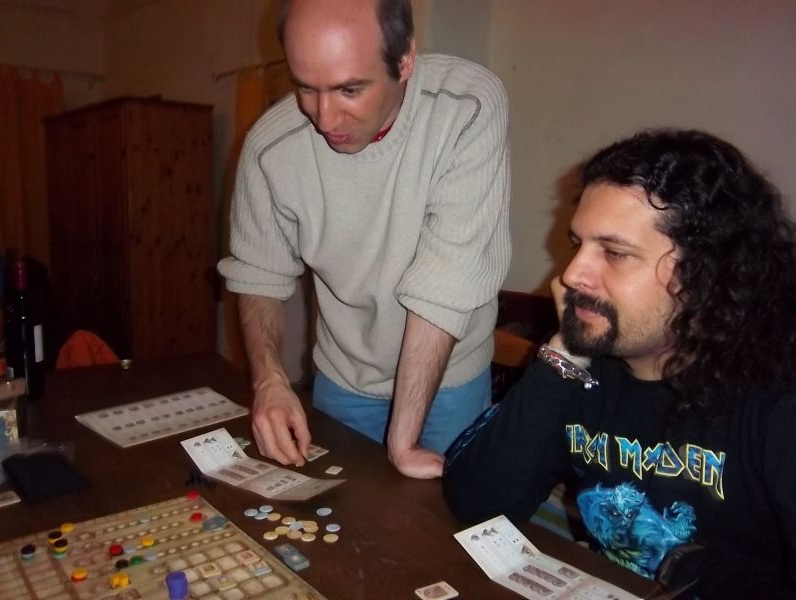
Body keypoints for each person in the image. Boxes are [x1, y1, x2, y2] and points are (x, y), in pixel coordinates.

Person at [443, 129, 796, 598]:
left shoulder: (777, 397)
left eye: (614, 253)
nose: (571, 275)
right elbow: (476, 500)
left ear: (706, 273)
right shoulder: (586, 368)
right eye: (578, 245)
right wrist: (564, 353)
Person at [218, 0, 510, 479]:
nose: (324, 117)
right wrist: (269, 381)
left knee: (437, 538)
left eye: (349, 89)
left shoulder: (468, 107)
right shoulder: (270, 147)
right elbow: (258, 274)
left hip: (451, 382)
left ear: (405, 60)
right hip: (342, 378)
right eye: (305, 88)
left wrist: (403, 439)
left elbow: (447, 283)